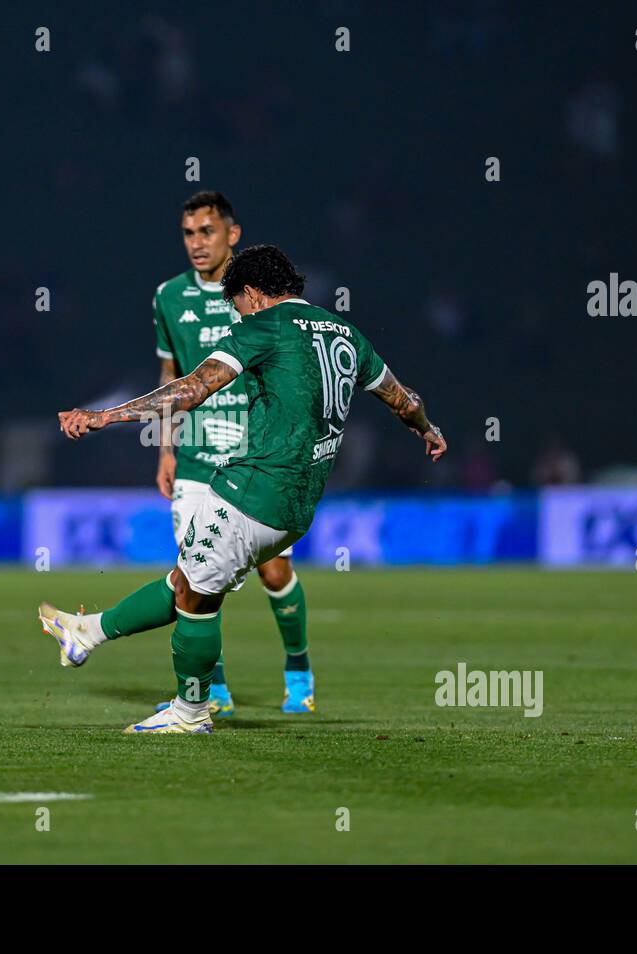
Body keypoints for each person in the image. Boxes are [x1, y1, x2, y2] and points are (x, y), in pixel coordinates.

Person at [39, 245, 446, 732]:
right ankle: (88, 632)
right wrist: (427, 429)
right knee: (188, 580)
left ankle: (190, 713)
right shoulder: (346, 335)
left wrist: (106, 416)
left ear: (251, 293)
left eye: (236, 304)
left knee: (196, 599)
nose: (237, 313)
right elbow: (404, 401)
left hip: (255, 490)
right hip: (299, 506)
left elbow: (192, 388)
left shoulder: (264, 327)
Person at [150, 191, 310, 717]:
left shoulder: (258, 296)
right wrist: (165, 451)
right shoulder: (168, 297)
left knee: (273, 572)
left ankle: (298, 667)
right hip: (195, 456)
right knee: (196, 574)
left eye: (207, 232)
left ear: (232, 235)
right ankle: (212, 690)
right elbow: (171, 376)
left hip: (254, 455)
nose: (197, 243)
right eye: (189, 233)